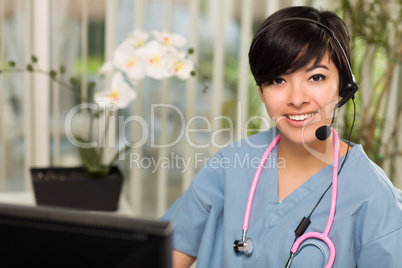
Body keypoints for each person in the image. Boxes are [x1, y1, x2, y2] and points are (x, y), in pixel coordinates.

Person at [162, 6, 402, 267]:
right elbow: (162, 256)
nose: (297, 99)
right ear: (261, 92)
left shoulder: (374, 197)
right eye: (278, 80)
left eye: (316, 77)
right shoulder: (230, 167)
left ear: (342, 87)